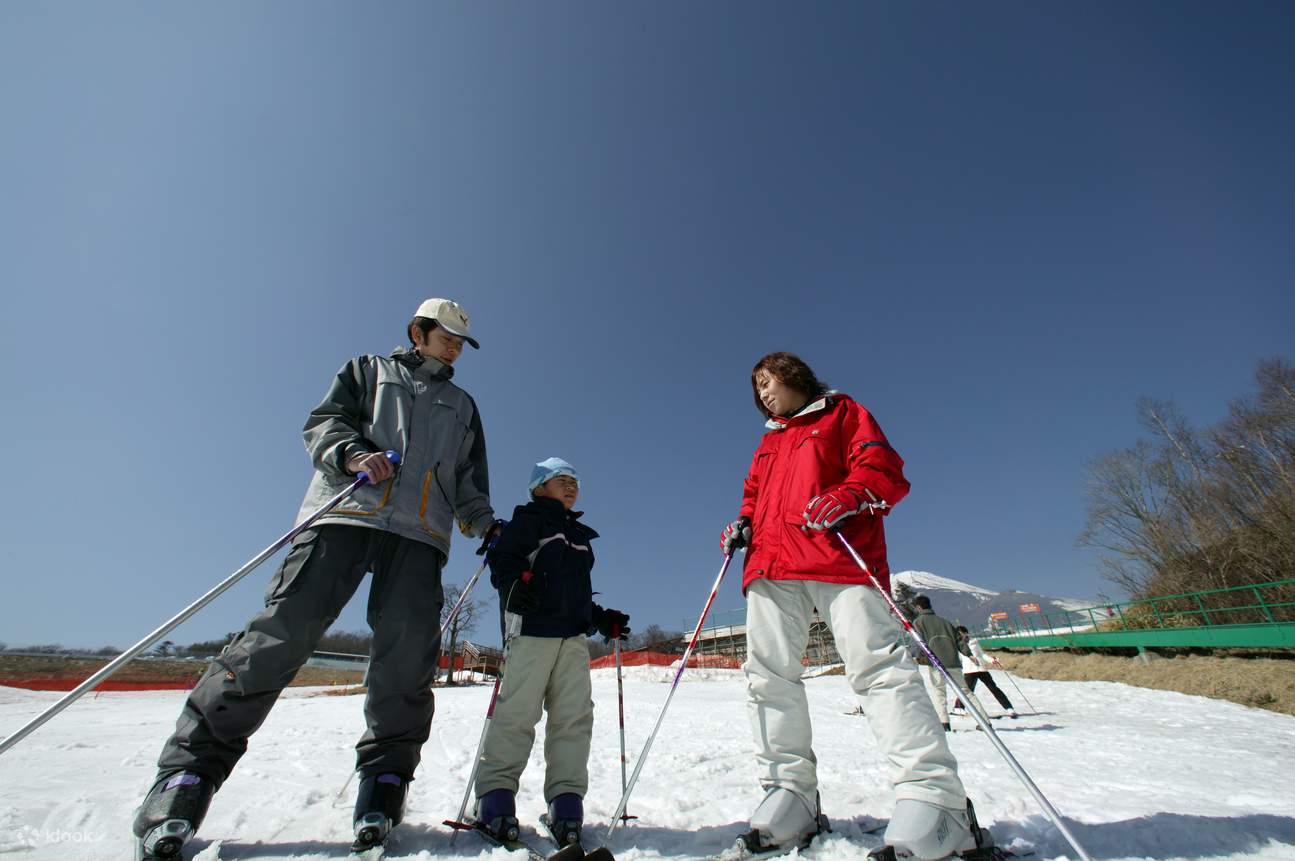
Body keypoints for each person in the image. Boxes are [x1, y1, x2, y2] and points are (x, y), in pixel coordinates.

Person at [132, 298, 503, 860]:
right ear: (418, 332)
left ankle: (385, 781)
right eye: (445, 335)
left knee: (407, 658)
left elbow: (470, 479)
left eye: (460, 340)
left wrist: (481, 522)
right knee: (282, 634)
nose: (453, 346)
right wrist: (352, 453)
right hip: (346, 512)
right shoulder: (367, 370)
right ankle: (187, 777)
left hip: (421, 534)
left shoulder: (463, 405)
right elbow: (323, 423)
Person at [719, 352, 995, 861]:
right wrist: (743, 523)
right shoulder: (769, 441)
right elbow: (753, 495)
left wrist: (852, 493)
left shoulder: (843, 413)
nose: (762, 393)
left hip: (836, 556)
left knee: (878, 668)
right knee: (767, 676)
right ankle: (790, 792)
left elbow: (882, 468)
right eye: (755, 386)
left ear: (795, 376)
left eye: (768, 380)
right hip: (771, 565)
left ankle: (935, 798)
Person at [473, 457, 630, 851]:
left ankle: (566, 804)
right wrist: (511, 589)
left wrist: (599, 617)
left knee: (574, 719)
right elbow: (503, 561)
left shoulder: (579, 534)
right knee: (518, 714)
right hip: (532, 632)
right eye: (561, 479)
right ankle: (494, 798)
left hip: (572, 639)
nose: (571, 485)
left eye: (575, 480)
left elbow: (575, 594)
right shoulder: (527, 521)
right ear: (539, 487)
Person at [911, 596, 986, 731]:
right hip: (953, 661)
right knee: (965, 692)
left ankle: (944, 723)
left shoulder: (918, 622)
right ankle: (984, 721)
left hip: (935, 662)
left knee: (939, 692)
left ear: (918, 608)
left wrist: (917, 657)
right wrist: (969, 654)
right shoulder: (945, 622)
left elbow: (919, 641)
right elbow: (959, 641)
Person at [952, 626, 1016, 718]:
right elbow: (958, 658)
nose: (964, 636)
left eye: (965, 633)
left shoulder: (974, 643)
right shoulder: (957, 645)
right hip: (969, 671)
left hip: (982, 669)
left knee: (994, 688)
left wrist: (992, 660)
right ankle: (958, 708)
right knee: (967, 690)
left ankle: (1009, 708)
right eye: (961, 634)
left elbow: (982, 654)